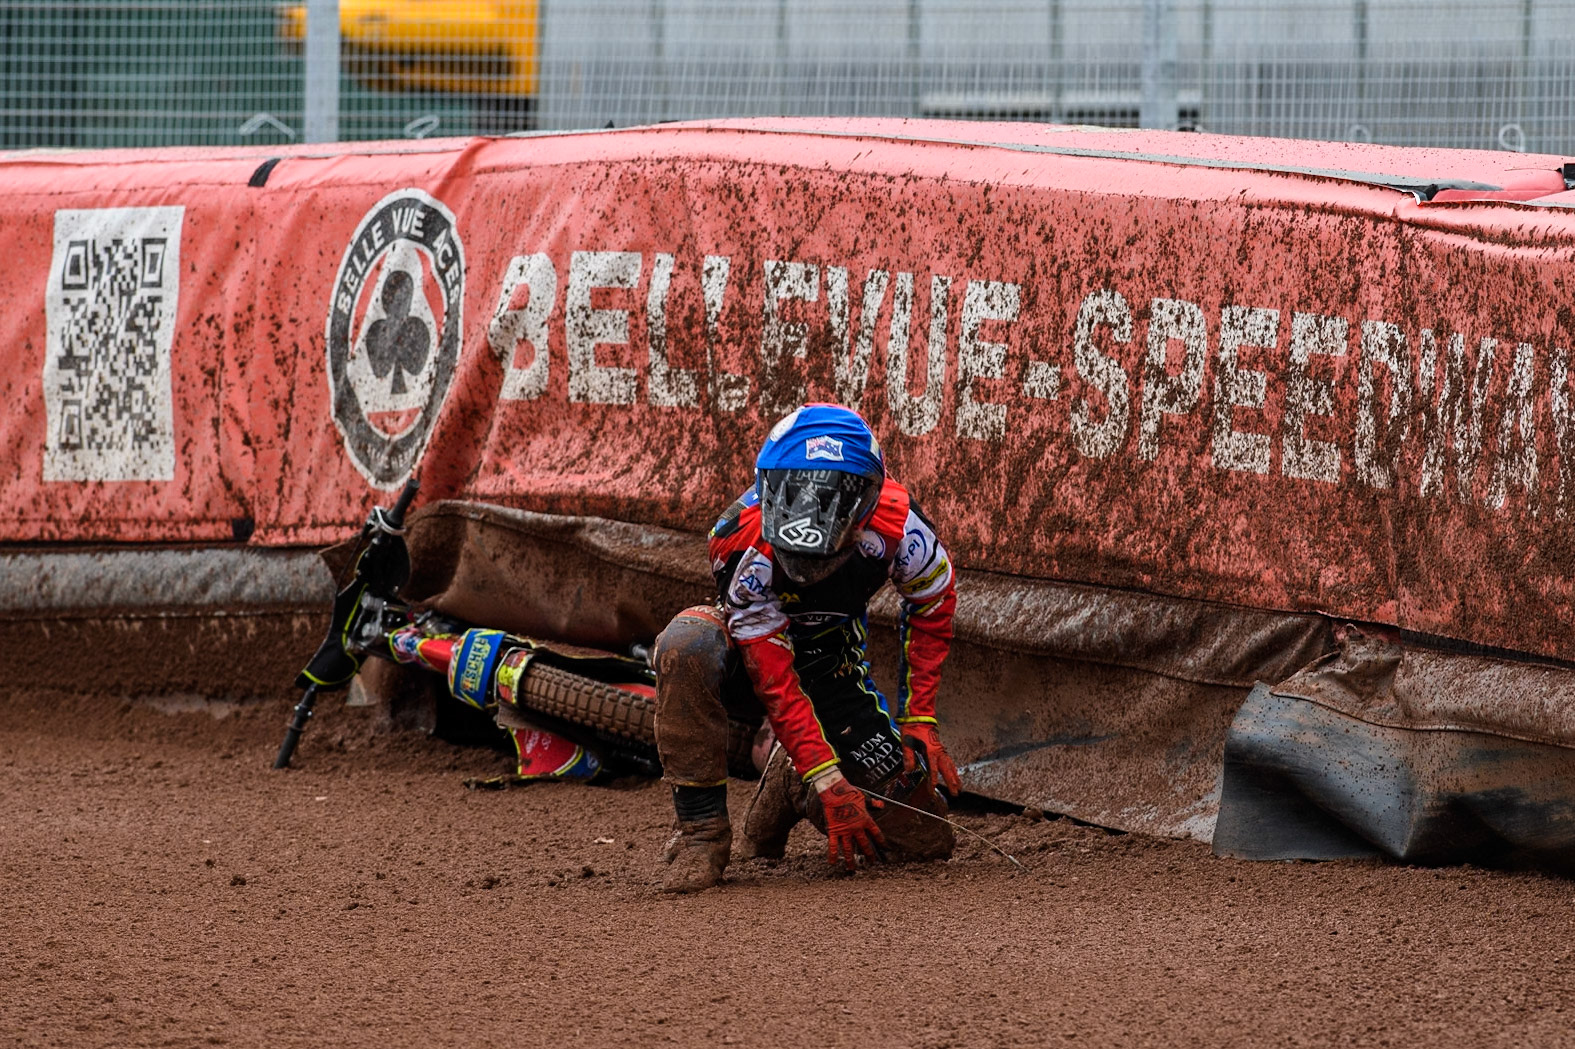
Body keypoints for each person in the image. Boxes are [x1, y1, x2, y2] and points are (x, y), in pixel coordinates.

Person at [654, 402, 963, 893]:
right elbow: (771, 674)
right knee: (687, 643)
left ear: (864, 511)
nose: (806, 565)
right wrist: (827, 774)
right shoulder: (736, 538)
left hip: (830, 660)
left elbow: (934, 602)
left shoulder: (903, 529)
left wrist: (920, 717)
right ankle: (701, 832)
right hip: (747, 653)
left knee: (922, 842)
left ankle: (789, 783)